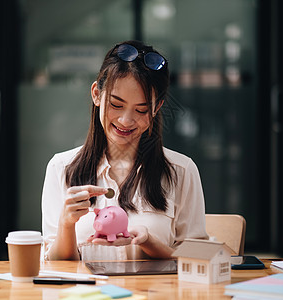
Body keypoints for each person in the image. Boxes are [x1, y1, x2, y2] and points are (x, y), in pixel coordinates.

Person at [42, 40, 208, 261]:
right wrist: (66, 223)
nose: (126, 120)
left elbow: (199, 260)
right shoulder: (61, 167)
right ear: (96, 94)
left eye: (141, 110)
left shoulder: (182, 171)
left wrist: (149, 242)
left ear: (156, 108)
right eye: (116, 105)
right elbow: (55, 268)